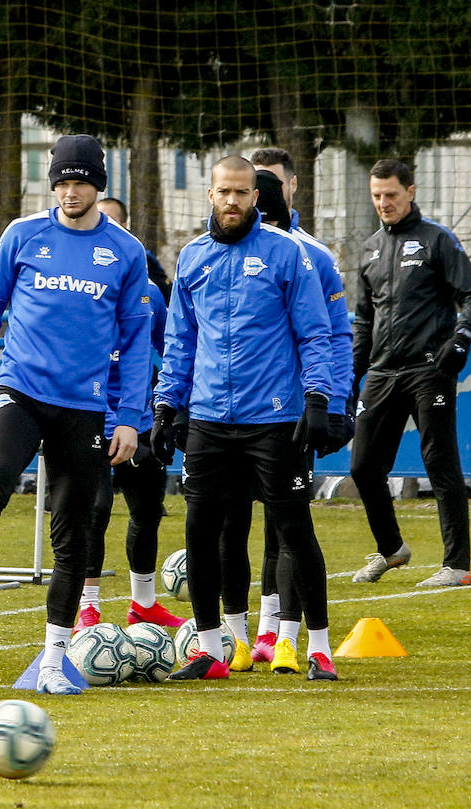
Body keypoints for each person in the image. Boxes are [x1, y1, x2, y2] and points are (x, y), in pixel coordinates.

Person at [0, 135, 151, 695]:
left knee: (74, 531)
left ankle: (51, 662)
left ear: (98, 186)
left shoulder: (125, 251)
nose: (70, 192)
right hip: (19, 389)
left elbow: (137, 343)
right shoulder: (22, 235)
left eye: (80, 182)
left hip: (84, 406)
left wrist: (130, 418)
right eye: (61, 182)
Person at [153, 155, 338, 681]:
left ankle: (319, 649)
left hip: (273, 419)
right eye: (223, 192)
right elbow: (180, 341)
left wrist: (318, 399)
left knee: (293, 529)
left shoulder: (287, 254)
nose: (232, 201)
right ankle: (211, 649)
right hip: (210, 420)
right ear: (209, 195)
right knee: (202, 530)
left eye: (242, 192)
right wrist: (167, 406)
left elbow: (315, 333)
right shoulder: (192, 258)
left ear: (257, 196)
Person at [216, 161, 354, 671]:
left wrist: (334, 404)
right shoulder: (217, 252)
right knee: (231, 523)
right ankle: (239, 636)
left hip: (291, 412)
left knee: (285, 525)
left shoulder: (310, 256)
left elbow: (334, 335)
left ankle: (285, 635)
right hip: (229, 413)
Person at [349, 158, 471, 588]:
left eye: (391, 194)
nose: (384, 203)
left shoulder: (437, 240)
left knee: (439, 462)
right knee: (363, 467)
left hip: (429, 370)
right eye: (376, 196)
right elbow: (362, 320)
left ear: (411, 191)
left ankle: (457, 566)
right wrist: (351, 374)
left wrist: (460, 339)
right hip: (382, 373)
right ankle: (391, 549)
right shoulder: (370, 249)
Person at [74, 197, 184, 632]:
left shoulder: (151, 295)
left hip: (137, 419)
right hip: (88, 419)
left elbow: (168, 349)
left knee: (148, 510)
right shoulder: (74, 290)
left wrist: (166, 409)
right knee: (94, 511)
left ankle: (143, 603)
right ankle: (88, 606)